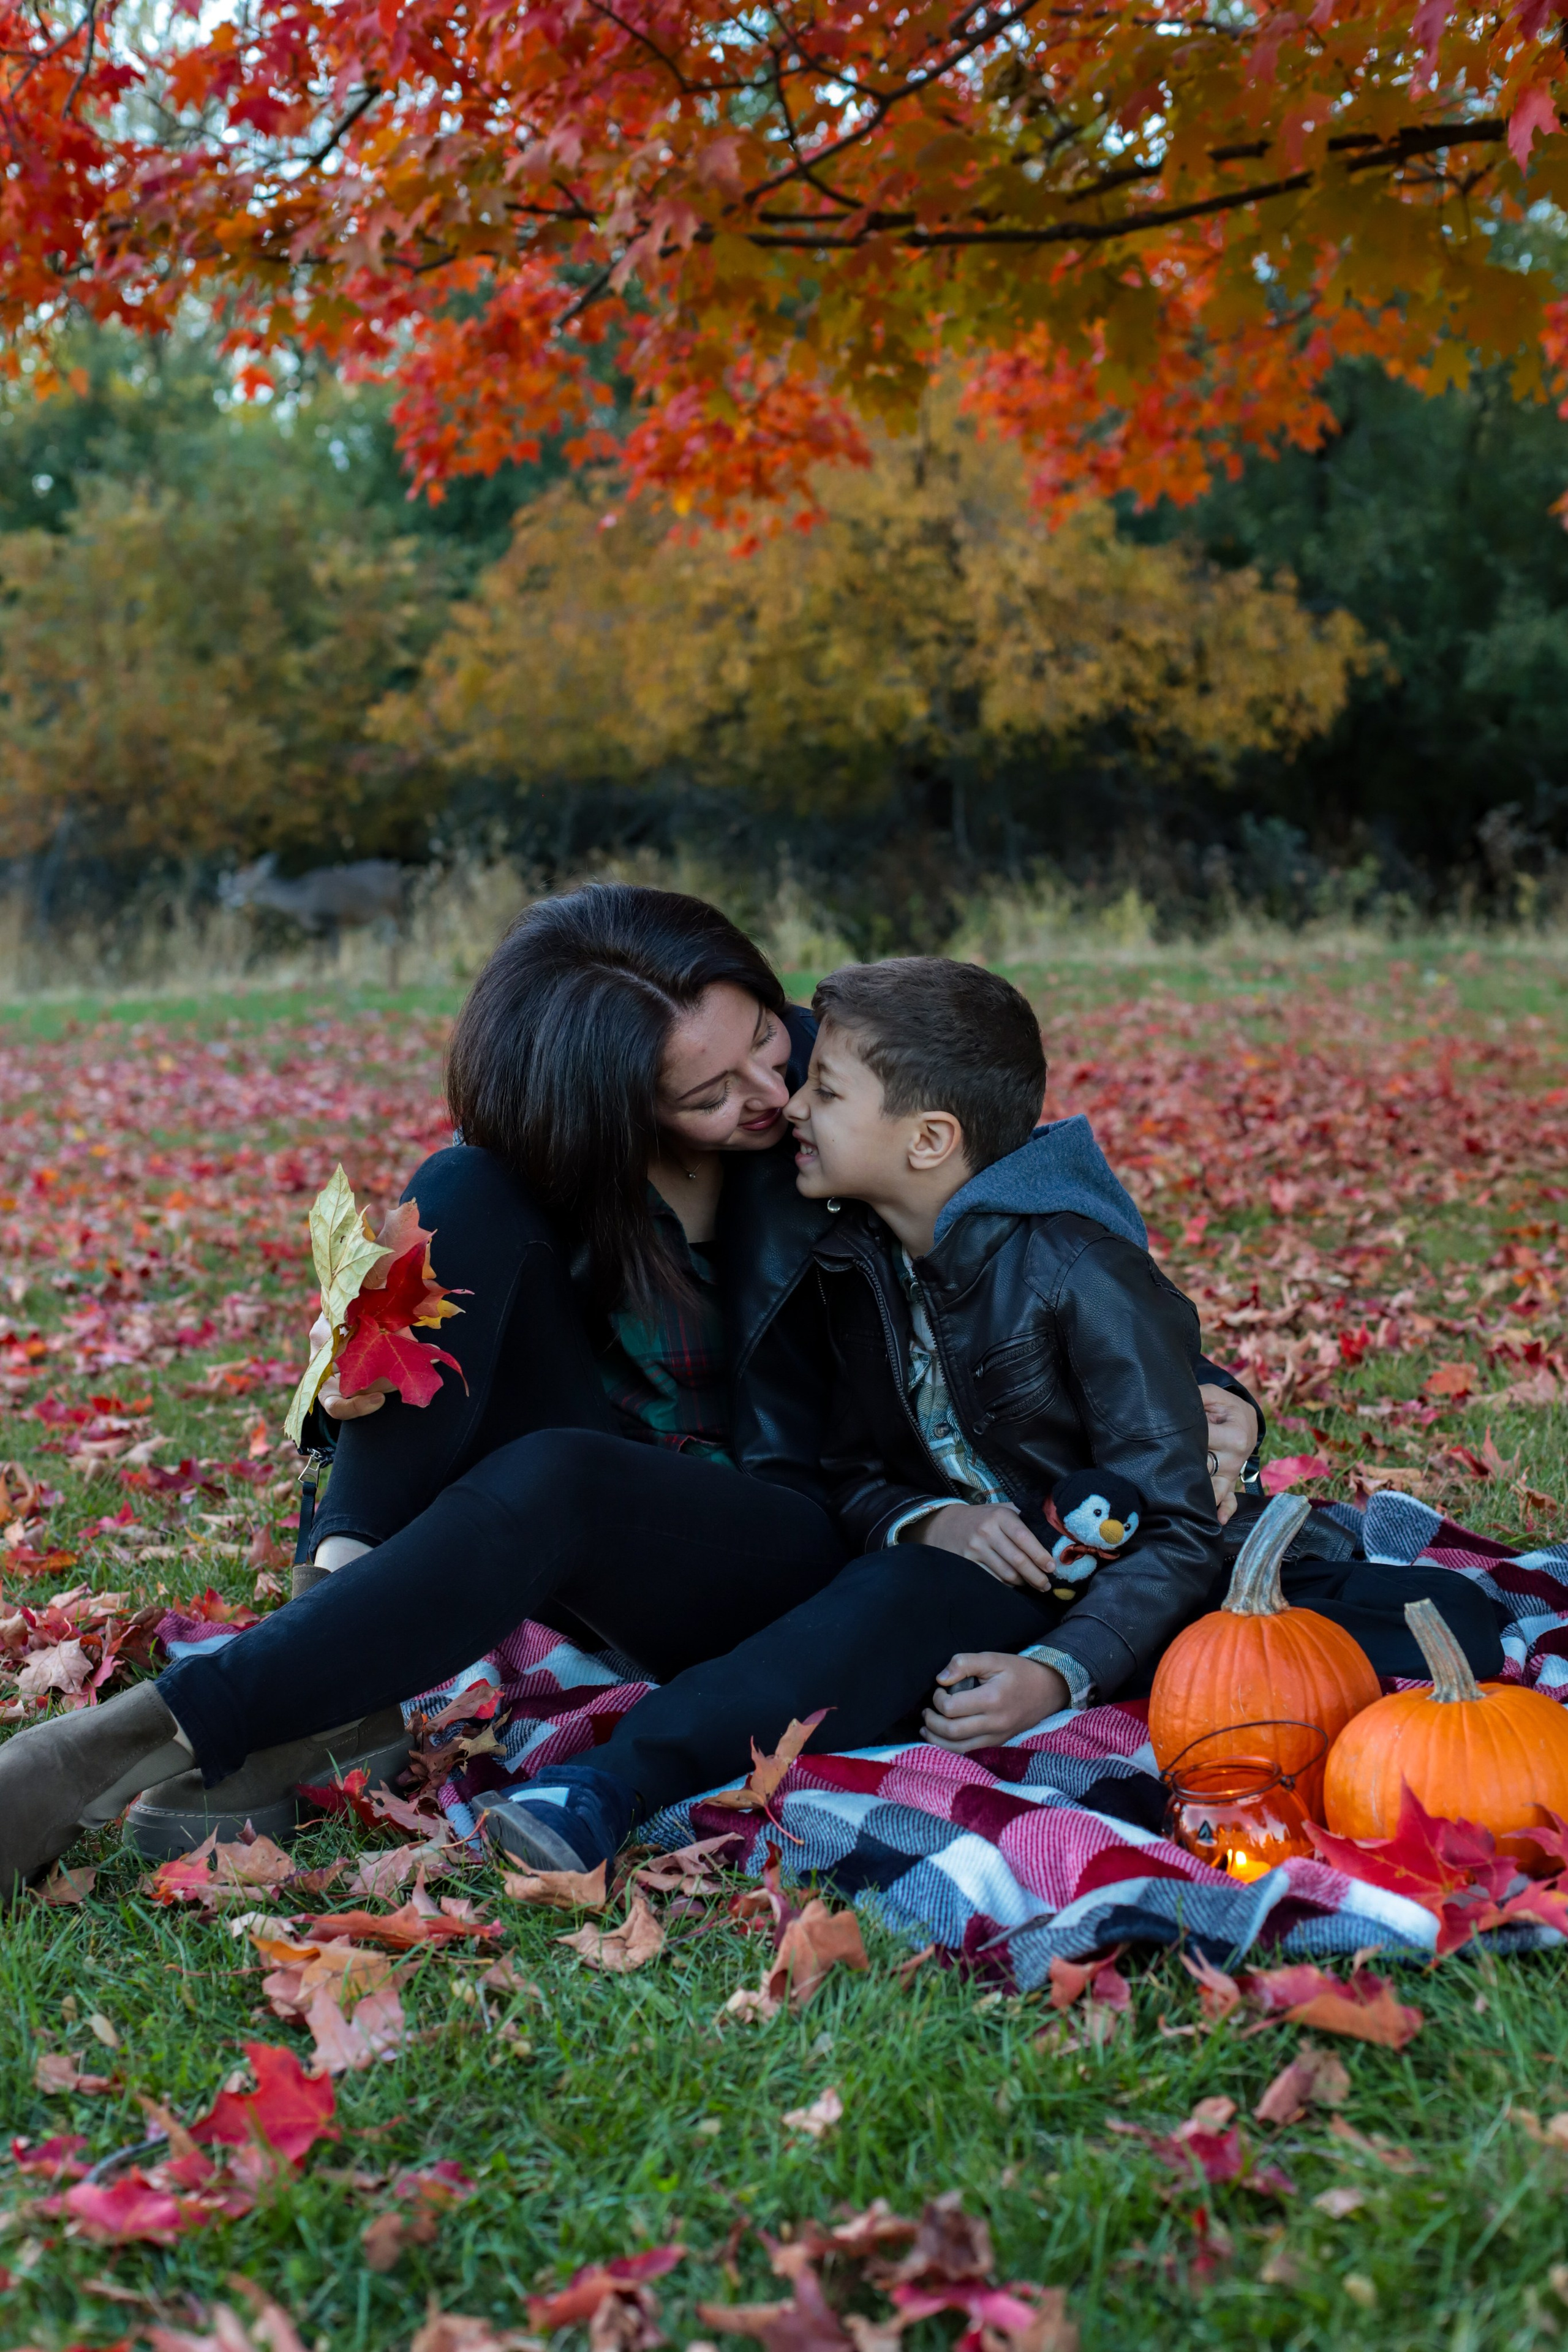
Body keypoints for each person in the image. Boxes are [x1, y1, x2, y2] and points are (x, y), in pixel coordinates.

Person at [0, 913, 1260, 1896]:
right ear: (612, 1107)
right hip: (620, 1506)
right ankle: (328, 1655)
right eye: (707, 1093)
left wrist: (1210, 1399)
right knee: (449, 1211)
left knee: (559, 1474)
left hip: (794, 1520)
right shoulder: (550, 1173)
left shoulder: (837, 1091)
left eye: (768, 1039)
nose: (768, 1098)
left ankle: (171, 1730)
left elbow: (1053, 1263)